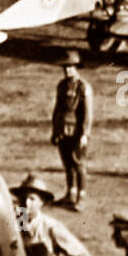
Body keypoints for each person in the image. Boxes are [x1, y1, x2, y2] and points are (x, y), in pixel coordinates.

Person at [51, 50, 93, 210]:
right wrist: (55, 130)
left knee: (78, 163)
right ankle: (70, 193)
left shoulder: (83, 87)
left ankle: (81, 197)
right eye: (65, 67)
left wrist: (84, 134)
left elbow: (87, 113)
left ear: (76, 68)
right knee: (67, 163)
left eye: (70, 67)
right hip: (63, 130)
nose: (67, 70)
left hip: (76, 131)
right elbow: (57, 109)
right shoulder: (62, 86)